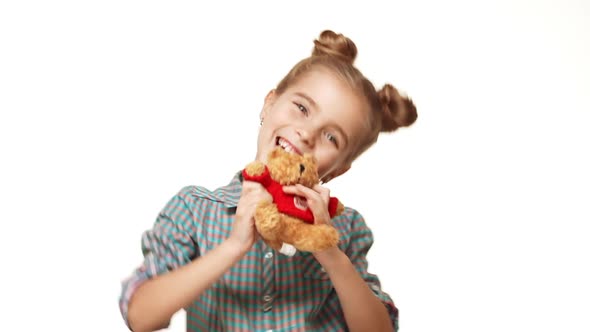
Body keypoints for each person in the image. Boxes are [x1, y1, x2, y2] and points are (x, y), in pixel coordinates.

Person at [119, 29, 418, 332]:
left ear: (339, 168)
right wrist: (234, 245)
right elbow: (141, 317)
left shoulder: (347, 228)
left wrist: (330, 254)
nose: (307, 133)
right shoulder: (195, 209)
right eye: (302, 108)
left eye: (331, 137)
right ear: (269, 104)